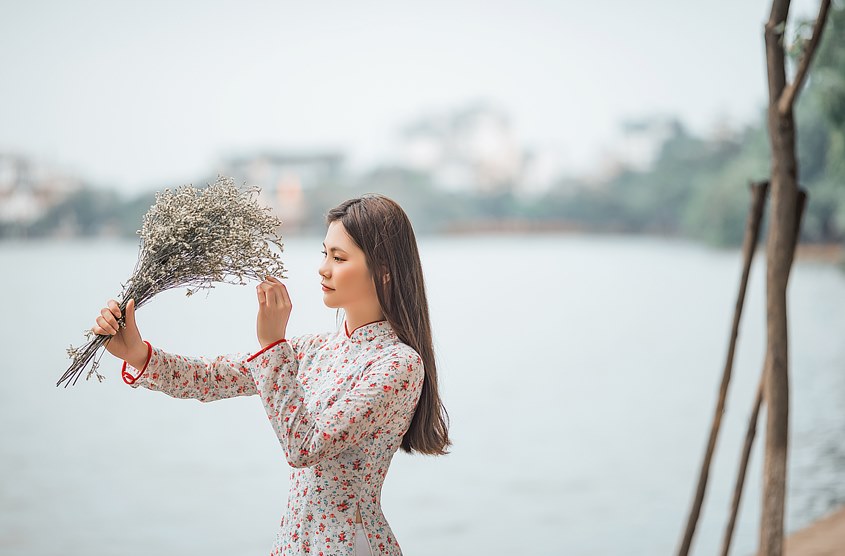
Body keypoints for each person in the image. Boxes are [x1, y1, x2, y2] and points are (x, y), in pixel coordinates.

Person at [92, 194, 451, 556]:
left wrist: (271, 342)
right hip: (294, 544)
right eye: (324, 253)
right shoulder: (316, 349)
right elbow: (212, 377)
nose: (323, 268)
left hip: (350, 544)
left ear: (384, 271)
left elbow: (304, 447)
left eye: (339, 258)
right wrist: (138, 354)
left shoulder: (398, 365)